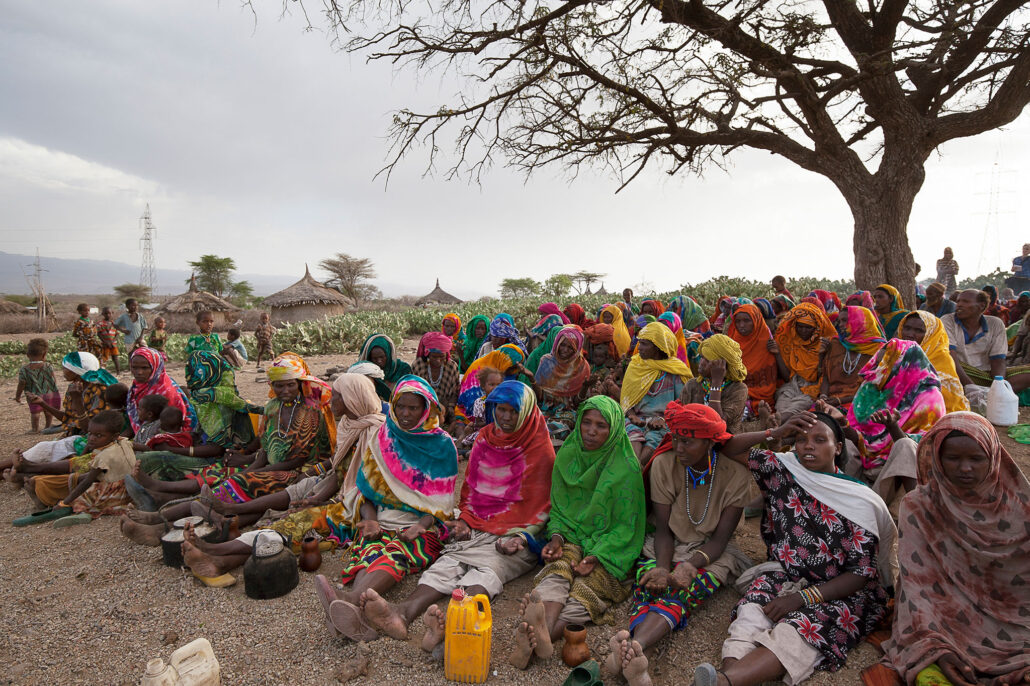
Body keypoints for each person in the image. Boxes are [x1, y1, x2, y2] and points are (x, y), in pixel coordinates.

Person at [691, 411, 895, 686]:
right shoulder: (783, 470)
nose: (808, 446)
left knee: (797, 630)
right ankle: (729, 678)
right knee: (751, 614)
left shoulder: (859, 501)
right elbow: (727, 448)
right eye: (800, 439)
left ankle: (724, 682)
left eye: (819, 440)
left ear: (838, 448)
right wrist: (773, 434)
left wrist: (802, 599)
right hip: (786, 573)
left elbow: (860, 574)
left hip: (842, 591)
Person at [354, 381, 555, 648]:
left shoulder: (539, 448)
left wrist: (521, 538)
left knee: (487, 570)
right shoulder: (485, 439)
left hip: (516, 534)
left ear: (527, 412)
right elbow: (470, 492)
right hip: (478, 525)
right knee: (446, 565)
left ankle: (453, 624)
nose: (505, 417)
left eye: (513, 411)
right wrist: (464, 520)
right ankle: (402, 612)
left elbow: (542, 507)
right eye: (500, 410)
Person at [881, 413, 1030, 686]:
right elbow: (917, 584)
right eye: (953, 458)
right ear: (937, 457)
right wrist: (937, 648)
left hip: (1013, 616)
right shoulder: (919, 506)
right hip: (942, 611)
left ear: (994, 457)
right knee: (929, 657)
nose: (965, 468)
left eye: (976, 459)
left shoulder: (1021, 507)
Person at [610, 403, 753, 686]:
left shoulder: (736, 475)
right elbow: (663, 530)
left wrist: (690, 565)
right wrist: (664, 567)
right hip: (666, 544)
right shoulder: (664, 465)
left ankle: (633, 649)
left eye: (687, 441)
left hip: (711, 552)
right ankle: (639, 656)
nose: (678, 447)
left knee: (686, 591)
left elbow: (720, 540)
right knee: (650, 585)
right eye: (675, 438)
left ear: (710, 441)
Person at [310, 376, 459, 641]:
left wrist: (419, 526)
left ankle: (351, 601)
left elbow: (440, 505)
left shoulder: (442, 445)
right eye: (399, 406)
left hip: (423, 526)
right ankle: (353, 612)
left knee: (397, 552)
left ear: (426, 409)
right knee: (372, 547)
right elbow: (368, 490)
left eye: (413, 408)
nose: (404, 414)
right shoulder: (384, 435)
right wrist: (370, 519)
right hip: (382, 518)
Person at [508, 395, 645, 670]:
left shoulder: (626, 468)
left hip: (608, 547)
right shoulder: (569, 454)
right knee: (557, 570)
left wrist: (595, 557)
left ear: (614, 429)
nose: (592, 431)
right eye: (587, 423)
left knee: (588, 589)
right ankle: (542, 634)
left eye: (601, 426)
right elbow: (558, 508)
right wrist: (556, 538)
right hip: (571, 534)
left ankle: (538, 638)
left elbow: (626, 528)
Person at [130, 353, 333, 507]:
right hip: (267, 462)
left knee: (237, 481)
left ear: (299, 384)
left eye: (290, 385)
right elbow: (263, 442)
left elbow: (296, 461)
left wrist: (250, 467)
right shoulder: (273, 406)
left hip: (297, 470)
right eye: (279, 386)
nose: (285, 391)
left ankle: (173, 501)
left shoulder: (310, 412)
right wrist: (243, 455)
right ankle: (165, 492)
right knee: (220, 471)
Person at [843, 339, 946, 500]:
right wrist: (843, 426)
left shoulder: (929, 398)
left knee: (905, 446)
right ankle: (843, 499)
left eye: (884, 366)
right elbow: (858, 434)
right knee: (841, 441)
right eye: (877, 364)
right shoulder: (872, 387)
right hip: (864, 462)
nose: (876, 371)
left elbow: (922, 449)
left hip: (897, 472)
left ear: (903, 368)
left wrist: (892, 427)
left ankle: (896, 509)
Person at [17, 410, 136, 524]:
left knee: (80, 498)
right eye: (90, 434)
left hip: (115, 493)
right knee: (77, 479)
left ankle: (78, 512)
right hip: (128, 487)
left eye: (98, 435)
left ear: (114, 436)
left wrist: (65, 503)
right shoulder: (123, 442)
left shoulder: (104, 457)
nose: (92, 438)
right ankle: (39, 485)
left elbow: (88, 481)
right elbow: (139, 446)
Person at [621, 322, 693, 463]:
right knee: (632, 436)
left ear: (659, 347)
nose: (639, 348)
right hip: (636, 420)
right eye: (639, 343)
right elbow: (626, 398)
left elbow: (682, 404)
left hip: (664, 421)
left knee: (654, 440)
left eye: (644, 344)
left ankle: (637, 472)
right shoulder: (636, 365)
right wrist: (632, 415)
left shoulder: (675, 370)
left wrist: (663, 419)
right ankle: (637, 470)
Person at [944, 289, 1030, 396]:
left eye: (965, 302)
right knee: (946, 364)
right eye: (958, 302)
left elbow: (998, 360)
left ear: (981, 305)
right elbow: (951, 358)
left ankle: (993, 393)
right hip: (960, 372)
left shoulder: (995, 324)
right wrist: (972, 388)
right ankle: (989, 393)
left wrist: (998, 384)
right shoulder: (948, 321)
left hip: (986, 375)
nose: (959, 305)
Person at [23, 351, 117, 437]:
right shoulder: (73, 388)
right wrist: (42, 403)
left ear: (76, 370)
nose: (63, 371)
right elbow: (68, 418)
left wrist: (77, 400)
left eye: (65, 368)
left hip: (93, 438)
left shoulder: (100, 391)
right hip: (75, 434)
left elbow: (89, 428)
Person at [771, 301, 837, 417]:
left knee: (796, 408)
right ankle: (777, 426)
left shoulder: (826, 344)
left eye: (808, 327)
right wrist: (777, 354)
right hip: (793, 386)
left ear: (816, 328)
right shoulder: (792, 344)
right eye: (800, 326)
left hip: (814, 388)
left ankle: (776, 426)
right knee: (781, 406)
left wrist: (821, 355)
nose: (803, 331)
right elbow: (788, 377)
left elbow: (819, 376)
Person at [899, 311, 970, 412]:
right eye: (907, 328)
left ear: (931, 334)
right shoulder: (899, 353)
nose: (910, 334)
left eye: (918, 330)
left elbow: (945, 402)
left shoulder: (941, 360)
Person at [819, 306, 885, 411]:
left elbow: (874, 389)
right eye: (839, 321)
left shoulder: (878, 350)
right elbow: (826, 377)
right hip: (831, 400)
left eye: (845, 321)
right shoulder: (836, 344)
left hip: (861, 402)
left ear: (860, 321)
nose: (840, 325)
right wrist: (823, 397)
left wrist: (840, 401)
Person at [680, 335, 749, 434]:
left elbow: (717, 424)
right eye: (702, 357)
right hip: (694, 439)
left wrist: (716, 382)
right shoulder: (693, 384)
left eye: (708, 360)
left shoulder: (738, 389)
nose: (701, 363)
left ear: (723, 367)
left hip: (726, 443)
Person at [535, 325, 592, 439]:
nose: (565, 350)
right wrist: (532, 380)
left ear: (577, 349)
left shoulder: (582, 367)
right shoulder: (547, 361)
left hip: (566, 412)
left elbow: (577, 403)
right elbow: (539, 396)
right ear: (557, 344)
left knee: (555, 429)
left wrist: (585, 387)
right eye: (562, 345)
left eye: (570, 347)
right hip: (544, 408)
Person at [126, 347, 197, 435]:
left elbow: (168, 426)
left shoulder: (165, 390)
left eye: (145, 368)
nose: (139, 372)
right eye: (134, 367)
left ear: (155, 367)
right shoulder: (138, 385)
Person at [726, 304, 784, 409]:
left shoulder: (766, 341)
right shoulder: (732, 341)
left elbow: (783, 375)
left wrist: (777, 353)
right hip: (738, 392)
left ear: (756, 320)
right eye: (738, 321)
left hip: (763, 395)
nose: (741, 325)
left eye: (746, 321)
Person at [455, 343, 527, 425]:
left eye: (516, 368)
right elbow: (472, 405)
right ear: (502, 361)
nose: (514, 371)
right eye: (511, 368)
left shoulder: (510, 371)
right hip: (475, 412)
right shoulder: (478, 369)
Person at [411, 331, 460, 423]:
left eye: (441, 357)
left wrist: (450, 407)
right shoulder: (418, 364)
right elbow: (415, 392)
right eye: (434, 357)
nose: (438, 361)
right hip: (424, 406)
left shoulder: (451, 366)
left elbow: (455, 391)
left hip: (446, 407)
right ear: (427, 354)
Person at [15, 338, 60, 433]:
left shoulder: (24, 369)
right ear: (44, 355)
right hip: (49, 392)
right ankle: (47, 427)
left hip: (34, 395)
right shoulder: (48, 366)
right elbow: (53, 379)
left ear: (28, 355)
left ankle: (35, 429)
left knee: (35, 412)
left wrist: (17, 396)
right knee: (48, 411)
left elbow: (21, 383)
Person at [358, 333, 412, 398]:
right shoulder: (365, 372)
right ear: (370, 358)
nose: (379, 361)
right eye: (375, 358)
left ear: (388, 355)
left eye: (382, 357)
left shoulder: (402, 370)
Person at [96, 306, 121, 373]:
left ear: (112, 313)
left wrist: (112, 342)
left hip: (113, 344)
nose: (108, 315)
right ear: (103, 314)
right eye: (106, 313)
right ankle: (102, 371)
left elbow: (117, 334)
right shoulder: (100, 324)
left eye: (109, 313)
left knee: (115, 358)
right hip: (104, 344)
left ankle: (118, 372)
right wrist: (106, 342)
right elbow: (99, 334)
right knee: (104, 358)